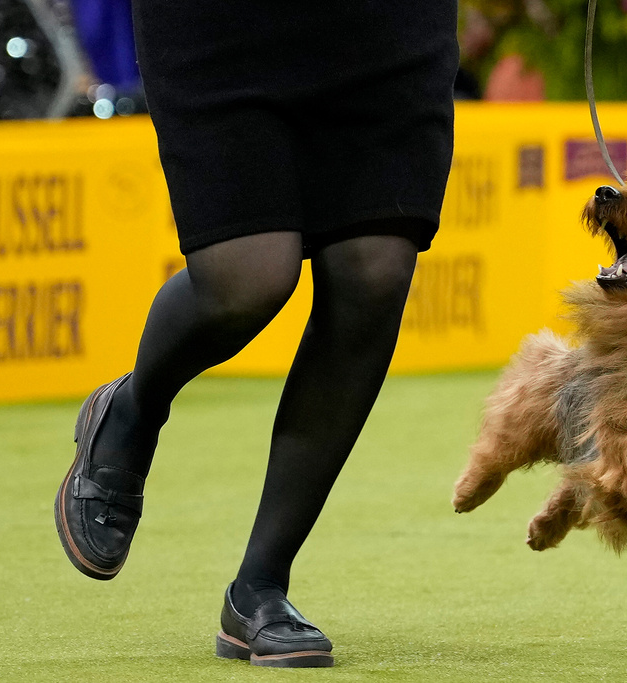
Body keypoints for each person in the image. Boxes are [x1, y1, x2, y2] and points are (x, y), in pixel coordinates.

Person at [54, 1, 459, 668]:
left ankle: (260, 586)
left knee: (375, 268)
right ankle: (131, 410)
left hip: (385, 25)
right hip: (220, 23)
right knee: (246, 275)